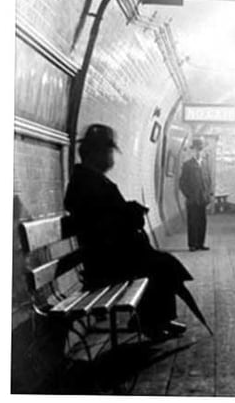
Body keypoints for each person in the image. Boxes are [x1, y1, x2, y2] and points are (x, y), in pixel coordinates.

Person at [64, 124, 193, 340]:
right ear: (97, 154)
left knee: (161, 263)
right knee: (160, 265)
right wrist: (130, 214)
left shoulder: (87, 179)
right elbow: (104, 222)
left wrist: (128, 211)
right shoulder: (88, 183)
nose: (111, 157)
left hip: (105, 256)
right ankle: (152, 322)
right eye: (109, 151)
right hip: (106, 263)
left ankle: (156, 319)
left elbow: (106, 216)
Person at [179, 138, 212, 251]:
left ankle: (200, 243)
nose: (199, 152)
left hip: (203, 198)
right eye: (197, 150)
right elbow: (182, 183)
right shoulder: (187, 165)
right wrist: (189, 195)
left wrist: (208, 195)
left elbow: (208, 181)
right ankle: (192, 244)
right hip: (192, 199)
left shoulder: (205, 165)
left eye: (201, 150)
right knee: (193, 221)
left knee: (202, 221)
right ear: (193, 151)